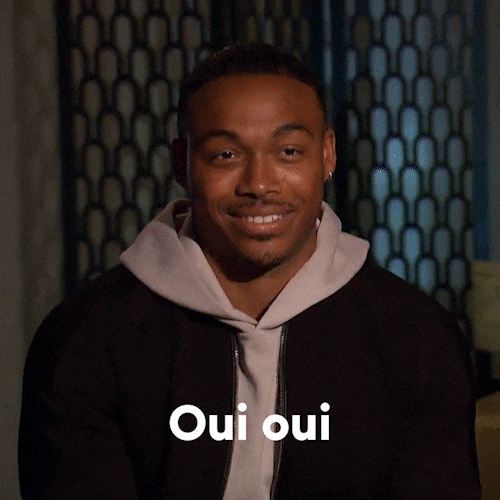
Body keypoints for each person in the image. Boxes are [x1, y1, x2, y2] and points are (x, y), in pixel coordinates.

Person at [19, 42, 480, 499]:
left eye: (289, 152)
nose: (259, 184)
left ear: (327, 154)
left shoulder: (414, 337)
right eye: (226, 155)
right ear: (182, 162)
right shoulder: (89, 338)